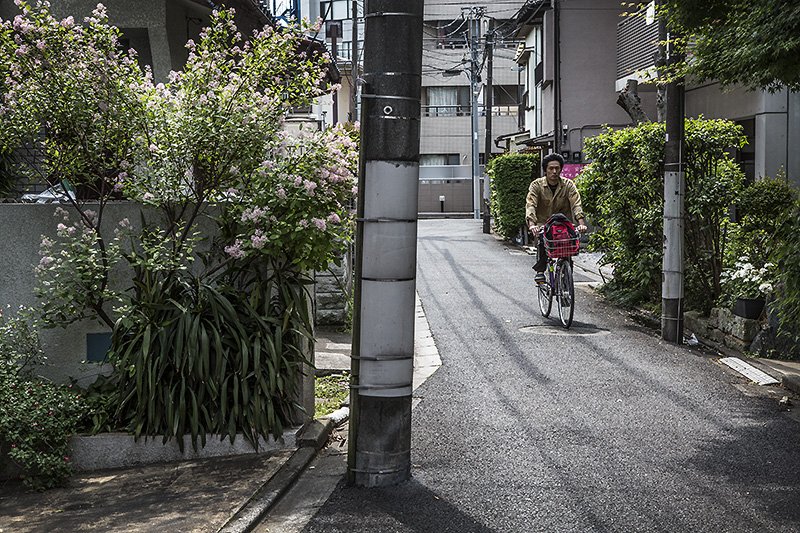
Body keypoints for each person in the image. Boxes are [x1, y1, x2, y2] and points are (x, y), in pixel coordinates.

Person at [525, 152, 587, 284]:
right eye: (551, 168)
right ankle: (540, 271)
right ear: (545, 170)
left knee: (568, 249)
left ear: (561, 169)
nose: (554, 171)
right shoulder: (536, 185)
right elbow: (531, 204)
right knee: (543, 242)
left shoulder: (568, 185)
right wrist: (532, 224)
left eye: (557, 168)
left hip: (564, 225)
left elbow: (576, 204)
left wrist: (581, 223)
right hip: (543, 224)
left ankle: (566, 279)